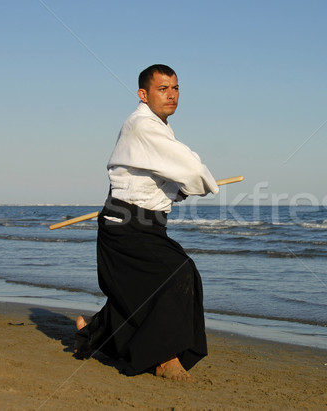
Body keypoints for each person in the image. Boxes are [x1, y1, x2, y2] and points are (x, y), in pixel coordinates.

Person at [74, 64, 219, 380]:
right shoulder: (143, 126)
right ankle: (165, 359)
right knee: (179, 274)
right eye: (162, 88)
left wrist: (182, 189)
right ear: (143, 94)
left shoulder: (157, 127)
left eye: (176, 88)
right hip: (125, 223)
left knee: (142, 290)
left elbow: (160, 179)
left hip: (146, 223)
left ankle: (91, 333)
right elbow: (189, 168)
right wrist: (204, 183)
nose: (171, 94)